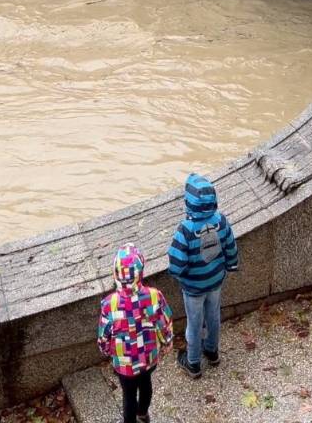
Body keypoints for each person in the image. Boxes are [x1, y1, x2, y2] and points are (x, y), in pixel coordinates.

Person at [167, 173, 239, 378]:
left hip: (193, 288)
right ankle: (212, 351)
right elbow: (230, 247)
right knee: (214, 316)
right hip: (216, 281)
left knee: (194, 322)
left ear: (188, 202)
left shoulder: (186, 229)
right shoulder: (221, 221)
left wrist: (179, 276)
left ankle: (193, 362)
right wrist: (231, 266)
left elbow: (177, 262)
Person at [98, 243, 174, 423]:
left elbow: (103, 336)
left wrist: (107, 350)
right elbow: (164, 323)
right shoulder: (154, 296)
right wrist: (167, 341)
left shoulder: (109, 304)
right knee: (146, 384)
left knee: (128, 394)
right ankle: (143, 413)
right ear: (140, 272)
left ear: (115, 274)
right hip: (148, 356)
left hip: (124, 362)